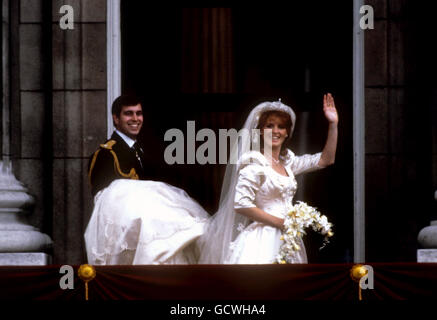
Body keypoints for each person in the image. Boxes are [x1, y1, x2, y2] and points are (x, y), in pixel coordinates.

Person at [198, 94, 338, 264]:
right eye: (270, 126)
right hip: (262, 239)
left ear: (287, 132)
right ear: (261, 131)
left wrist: (333, 124)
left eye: (281, 127)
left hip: (288, 238)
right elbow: (241, 204)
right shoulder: (254, 163)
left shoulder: (288, 163)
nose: (276, 131)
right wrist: (280, 222)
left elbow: (326, 160)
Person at [84, 95, 209, 265]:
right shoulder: (106, 154)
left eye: (139, 113)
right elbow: (104, 202)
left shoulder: (144, 153)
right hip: (128, 236)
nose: (135, 119)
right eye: (129, 114)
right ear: (116, 118)